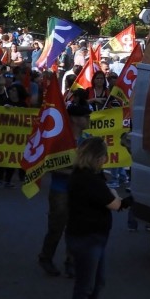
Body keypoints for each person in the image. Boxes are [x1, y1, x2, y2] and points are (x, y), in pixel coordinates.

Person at [66, 137, 132, 299]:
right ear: (96, 157)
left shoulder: (85, 176)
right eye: (103, 155)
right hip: (88, 237)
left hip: (90, 236)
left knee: (95, 283)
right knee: (86, 286)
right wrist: (122, 198)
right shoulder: (88, 179)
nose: (106, 159)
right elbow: (114, 204)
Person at [38, 92, 91, 278]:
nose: (88, 119)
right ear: (75, 119)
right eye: (85, 117)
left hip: (79, 191)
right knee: (57, 227)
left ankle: (71, 261)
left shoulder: (88, 140)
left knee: (76, 227)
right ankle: (46, 257)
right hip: (60, 190)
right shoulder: (61, 141)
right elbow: (51, 167)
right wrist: (76, 172)